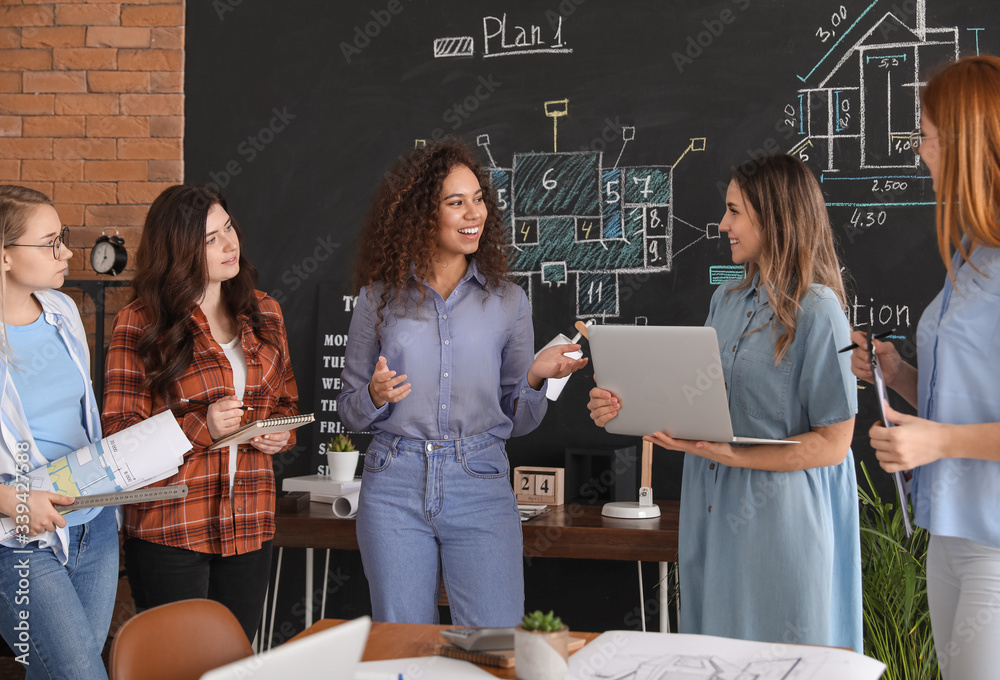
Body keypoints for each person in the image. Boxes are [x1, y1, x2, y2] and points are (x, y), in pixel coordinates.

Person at [589, 154, 862, 651]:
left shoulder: (819, 311)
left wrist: (733, 454)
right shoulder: (727, 300)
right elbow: (705, 401)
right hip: (713, 505)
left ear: (773, 217)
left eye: (735, 211)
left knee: (784, 653)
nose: (722, 224)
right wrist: (625, 406)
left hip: (781, 516)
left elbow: (833, 445)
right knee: (716, 653)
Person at [338, 139, 587, 626]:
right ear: (421, 215)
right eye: (456, 202)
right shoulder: (377, 300)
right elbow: (349, 409)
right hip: (394, 482)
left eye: (478, 199)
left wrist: (537, 375)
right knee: (403, 651)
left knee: (494, 646)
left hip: (480, 479)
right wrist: (373, 395)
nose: (474, 213)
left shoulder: (509, 302)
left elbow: (518, 421)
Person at [850, 55, 1000, 680]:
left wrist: (936, 440)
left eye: (928, 137)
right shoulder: (971, 256)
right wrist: (899, 374)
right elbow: (971, 395)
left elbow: (954, 428)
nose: (919, 152)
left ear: (967, 145)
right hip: (949, 535)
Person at [102, 184, 298, 641]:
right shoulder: (140, 321)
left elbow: (286, 403)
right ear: (178, 249)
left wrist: (279, 435)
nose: (230, 245)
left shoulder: (266, 311)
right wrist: (201, 427)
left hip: (249, 523)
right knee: (178, 666)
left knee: (232, 665)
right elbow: (118, 434)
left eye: (228, 228)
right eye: (210, 239)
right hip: (170, 527)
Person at [0, 186, 119, 679]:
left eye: (63, 237)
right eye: (50, 242)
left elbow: (81, 418)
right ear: (5, 256)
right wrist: (13, 502)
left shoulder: (63, 312)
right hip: (17, 538)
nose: (66, 252)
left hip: (94, 525)